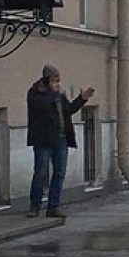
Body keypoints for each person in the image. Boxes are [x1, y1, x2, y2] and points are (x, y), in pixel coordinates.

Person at [27, 64, 94, 219]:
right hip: (43, 140)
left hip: (60, 139)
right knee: (40, 171)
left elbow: (68, 110)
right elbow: (42, 106)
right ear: (47, 80)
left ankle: (53, 206)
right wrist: (54, 93)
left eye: (58, 80)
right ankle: (35, 206)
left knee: (60, 172)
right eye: (55, 80)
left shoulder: (59, 95)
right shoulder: (35, 93)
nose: (58, 83)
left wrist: (82, 99)